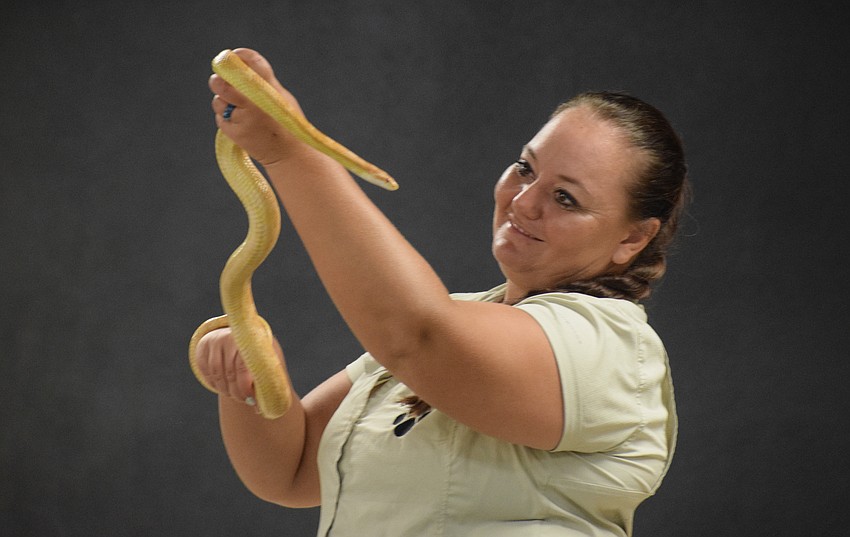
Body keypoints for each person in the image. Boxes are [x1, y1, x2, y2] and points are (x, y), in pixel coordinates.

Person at [196, 48, 688, 537]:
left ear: (632, 238)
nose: (523, 201)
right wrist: (250, 377)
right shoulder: (457, 317)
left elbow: (418, 333)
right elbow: (293, 471)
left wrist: (289, 150)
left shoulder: (611, 352)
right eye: (525, 168)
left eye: (566, 198)